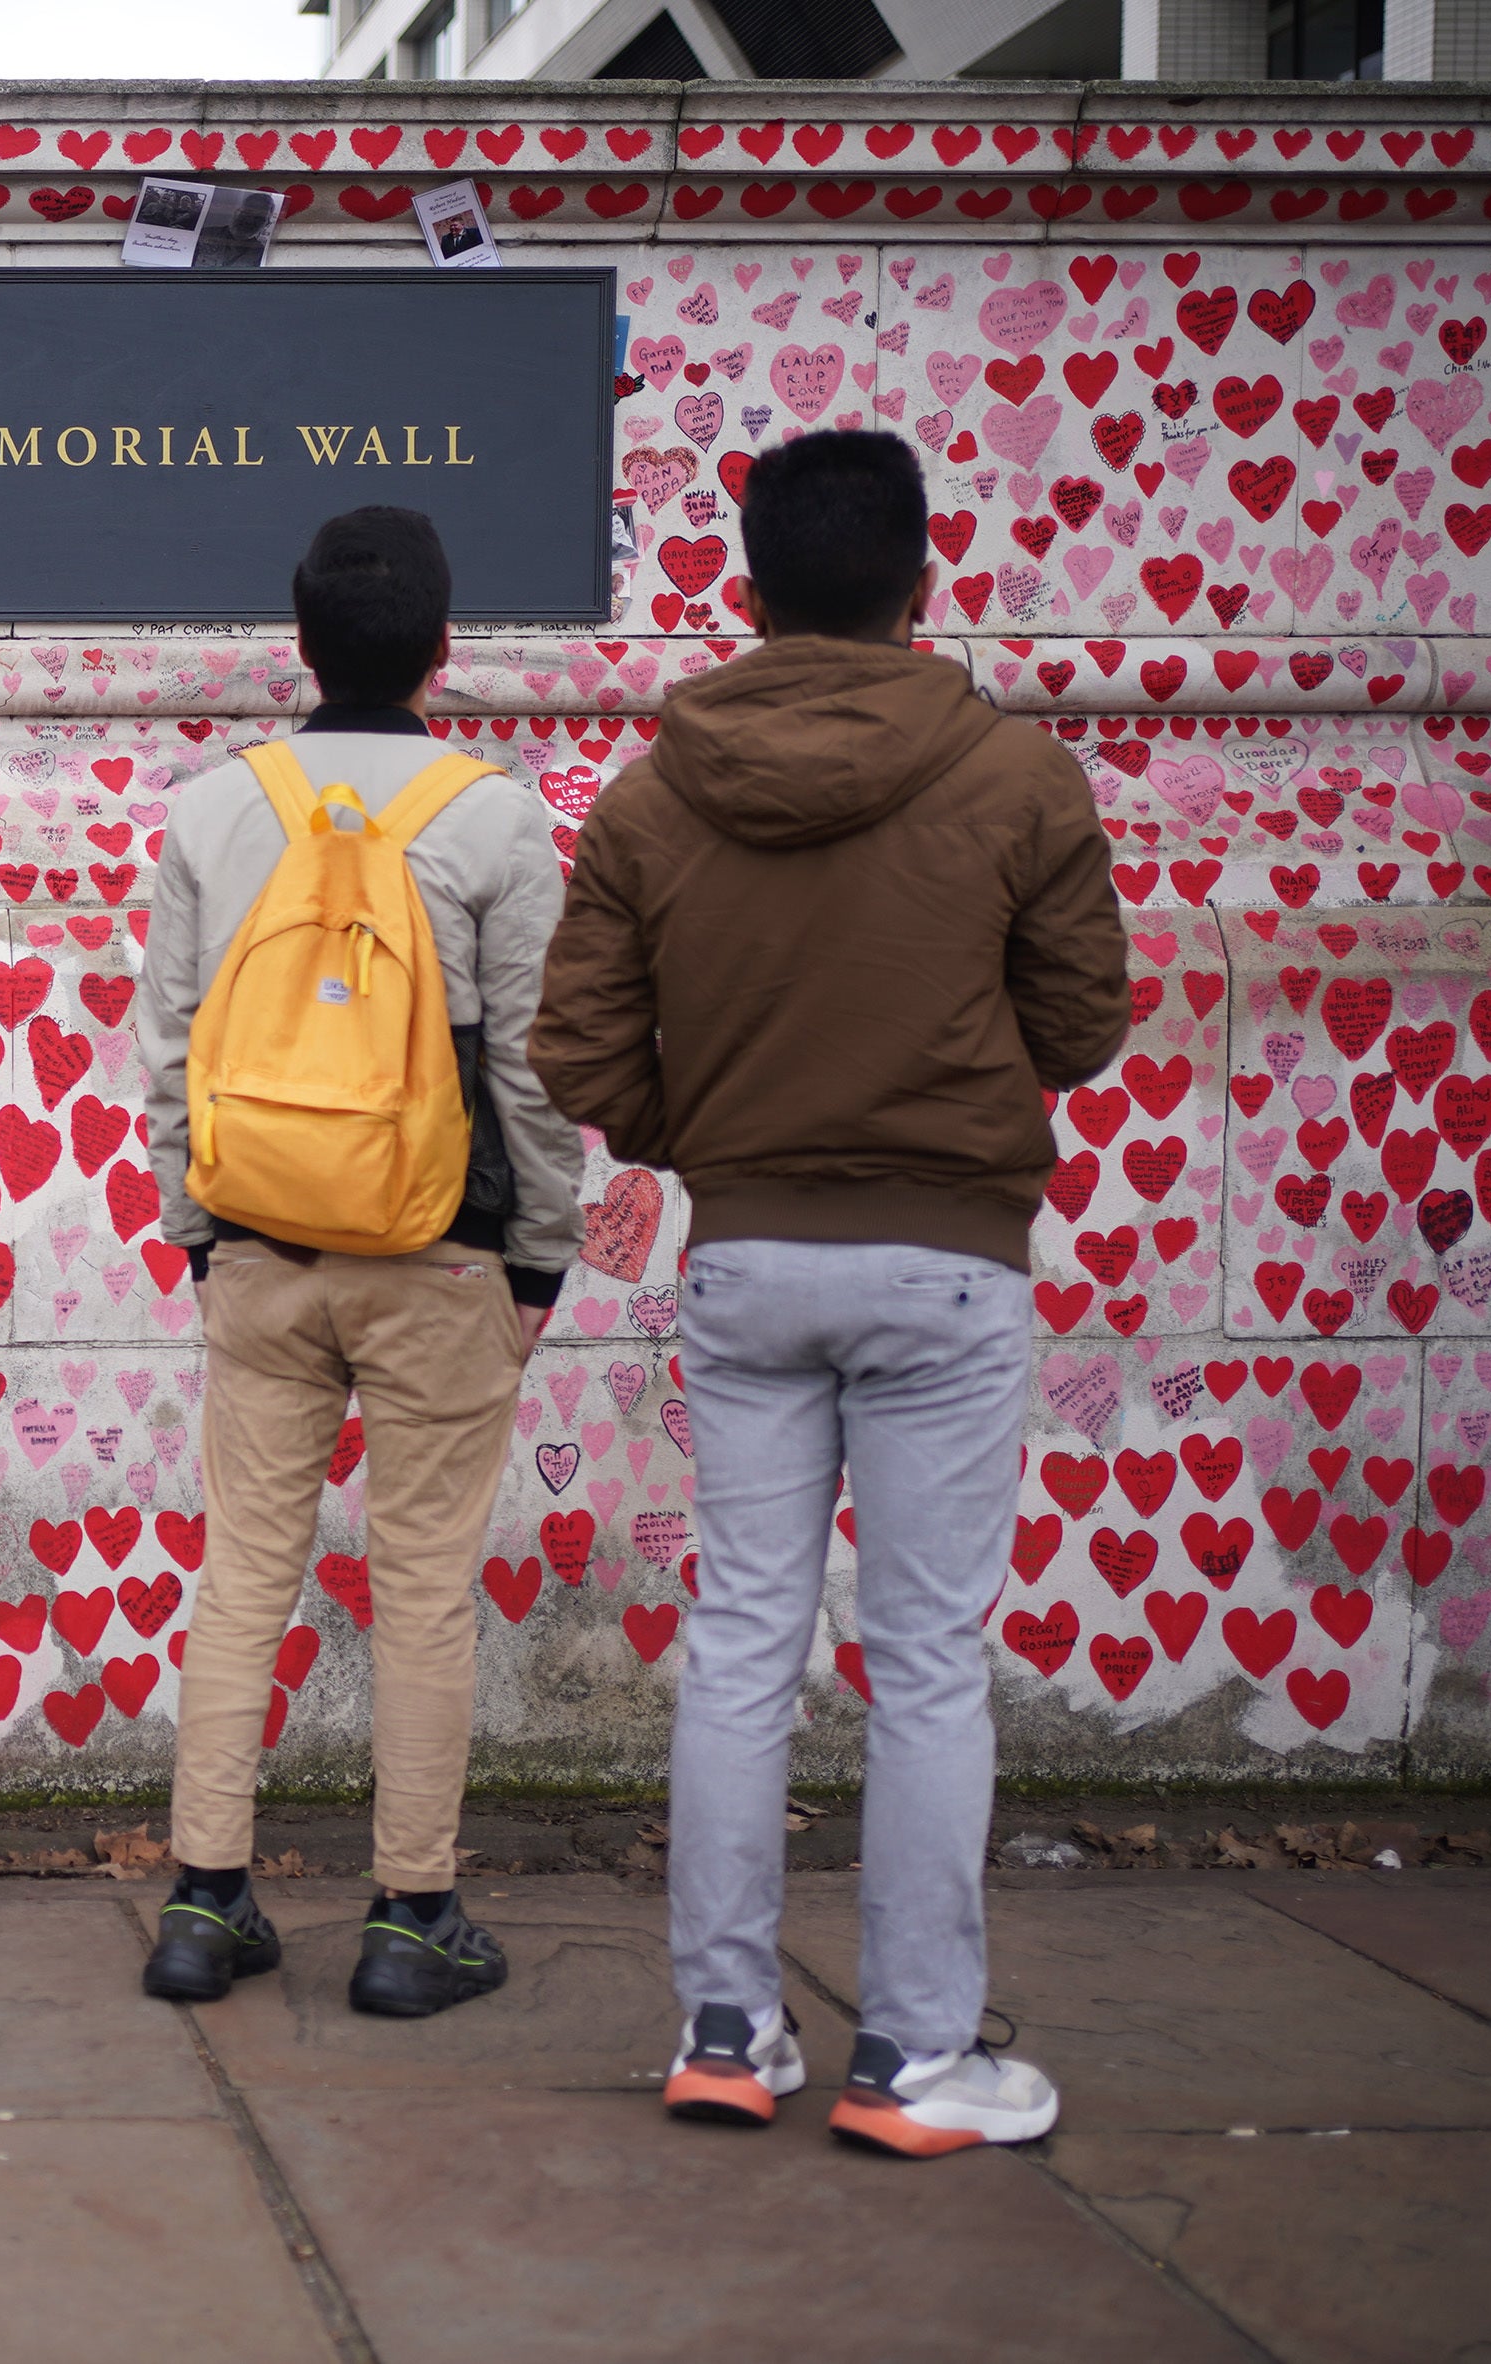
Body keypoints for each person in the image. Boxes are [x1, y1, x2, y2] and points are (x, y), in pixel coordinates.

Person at [530, 429, 1128, 2154]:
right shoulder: (1019, 781)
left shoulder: (655, 794)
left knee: (739, 1646)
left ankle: (727, 2028)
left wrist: (707, 1132)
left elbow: (580, 1045)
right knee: (926, 1663)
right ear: (921, 580)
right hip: (949, 1264)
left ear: (748, 586)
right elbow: (1084, 1022)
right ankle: (918, 2058)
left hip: (748, 1256)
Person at [133, 506, 583, 2016]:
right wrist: (541, 1259)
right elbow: (530, 1069)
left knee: (242, 1572)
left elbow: (171, 1052)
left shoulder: (211, 808)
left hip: (258, 1250)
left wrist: (199, 1236)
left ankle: (203, 1907)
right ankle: (411, 1919)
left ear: (302, 642)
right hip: (444, 1261)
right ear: (445, 648)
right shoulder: (498, 818)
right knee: (425, 1586)